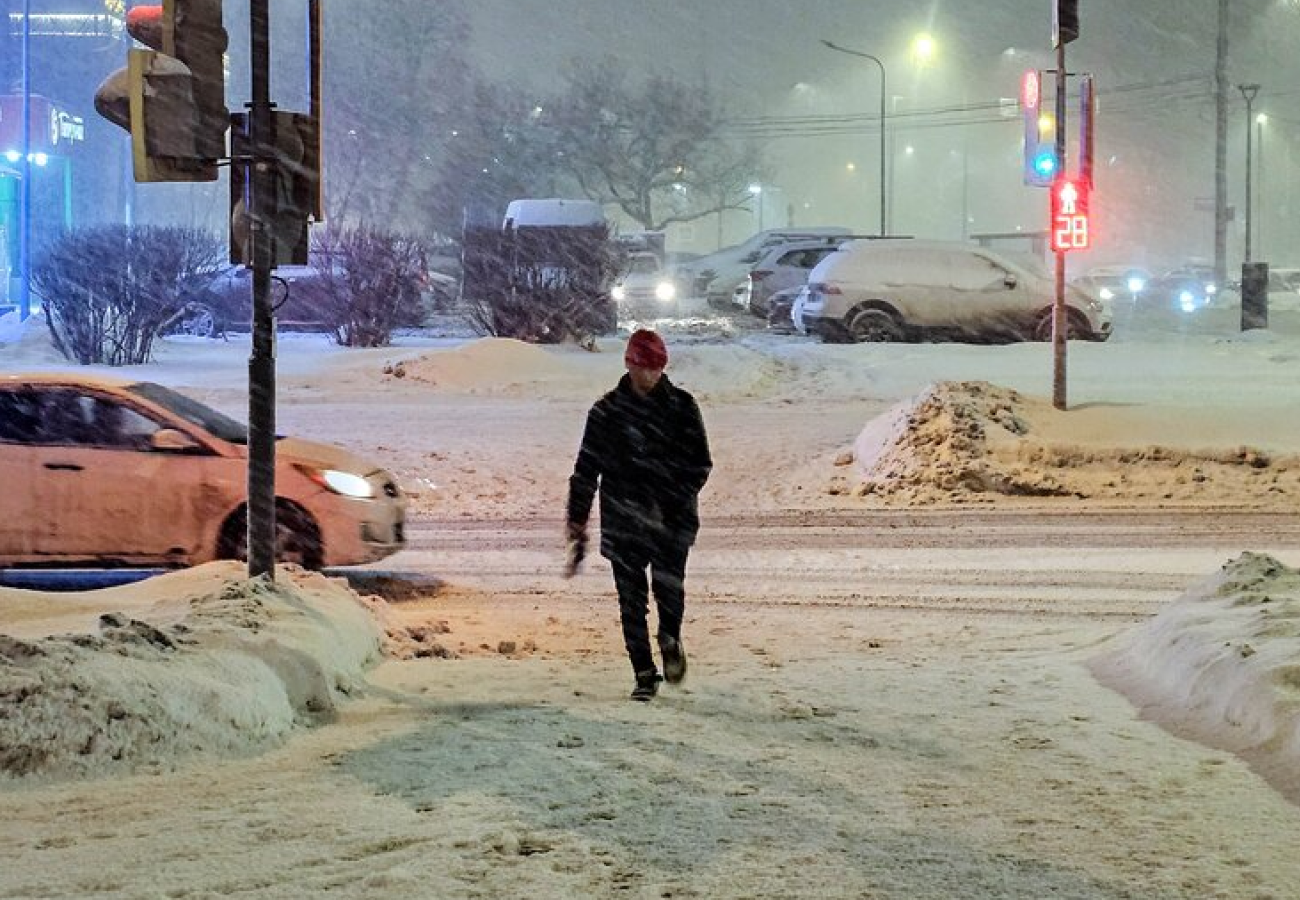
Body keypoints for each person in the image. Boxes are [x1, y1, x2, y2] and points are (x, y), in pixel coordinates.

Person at [565, 329, 713, 701]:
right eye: (645, 367)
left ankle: (670, 639)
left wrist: (672, 497)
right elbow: (586, 469)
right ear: (629, 365)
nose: (651, 375)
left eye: (658, 368)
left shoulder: (682, 406)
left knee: (670, 592)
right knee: (631, 602)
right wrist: (577, 519)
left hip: (671, 520)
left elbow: (700, 464)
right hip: (623, 521)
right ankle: (643, 673)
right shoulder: (606, 412)